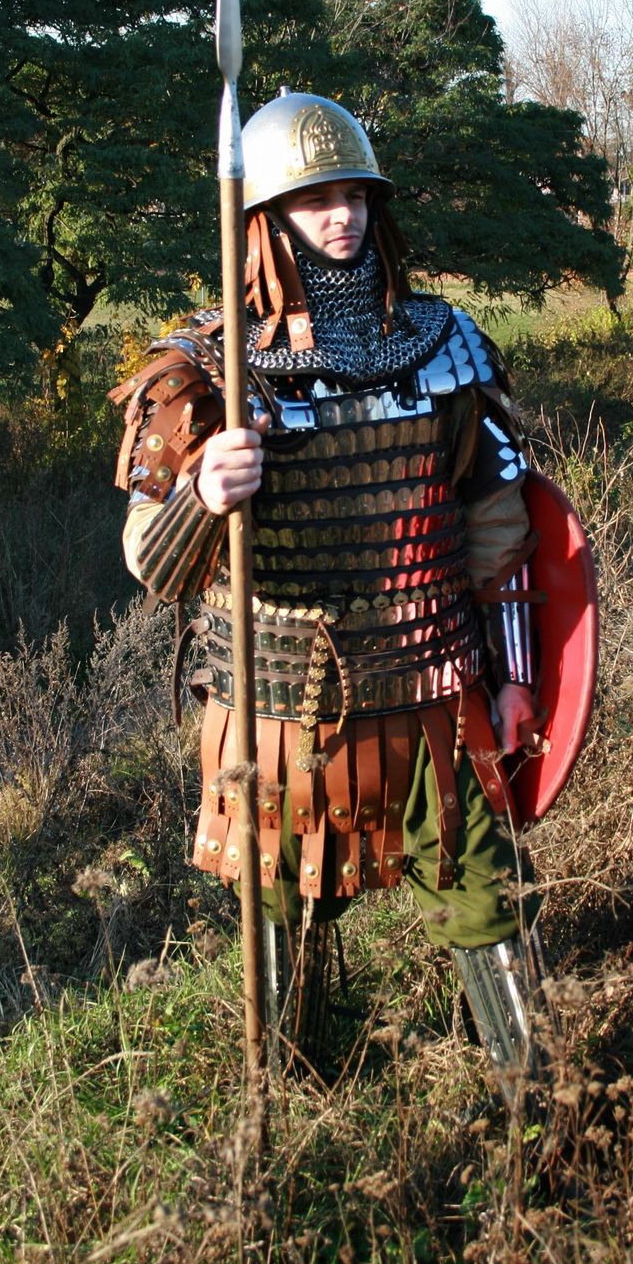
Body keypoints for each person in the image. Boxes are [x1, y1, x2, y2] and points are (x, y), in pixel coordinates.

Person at [110, 89, 551, 1102]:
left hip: (435, 683)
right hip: (278, 697)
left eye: (352, 194)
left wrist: (515, 673)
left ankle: (539, 1108)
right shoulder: (203, 369)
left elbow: (503, 520)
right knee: (286, 903)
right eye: (315, 202)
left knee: (484, 886)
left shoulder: (444, 343)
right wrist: (199, 494)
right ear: (264, 221)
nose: (341, 217)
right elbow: (151, 563)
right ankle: (295, 1104)